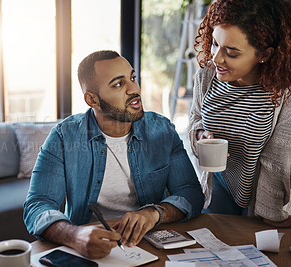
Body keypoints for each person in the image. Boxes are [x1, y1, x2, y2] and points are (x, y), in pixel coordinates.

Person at [24, 50, 204, 259]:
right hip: (89, 248)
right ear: (92, 100)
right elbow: (37, 206)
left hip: (150, 246)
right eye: (118, 84)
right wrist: (74, 235)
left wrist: (153, 213)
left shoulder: (162, 130)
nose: (134, 89)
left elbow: (191, 193)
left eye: (132, 78)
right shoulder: (64, 137)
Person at [188, 0, 291, 228]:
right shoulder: (206, 76)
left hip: (263, 196)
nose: (217, 58)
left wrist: (271, 212)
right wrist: (200, 135)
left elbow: (282, 158)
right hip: (217, 184)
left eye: (231, 52)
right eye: (215, 44)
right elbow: (196, 118)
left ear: (265, 55)